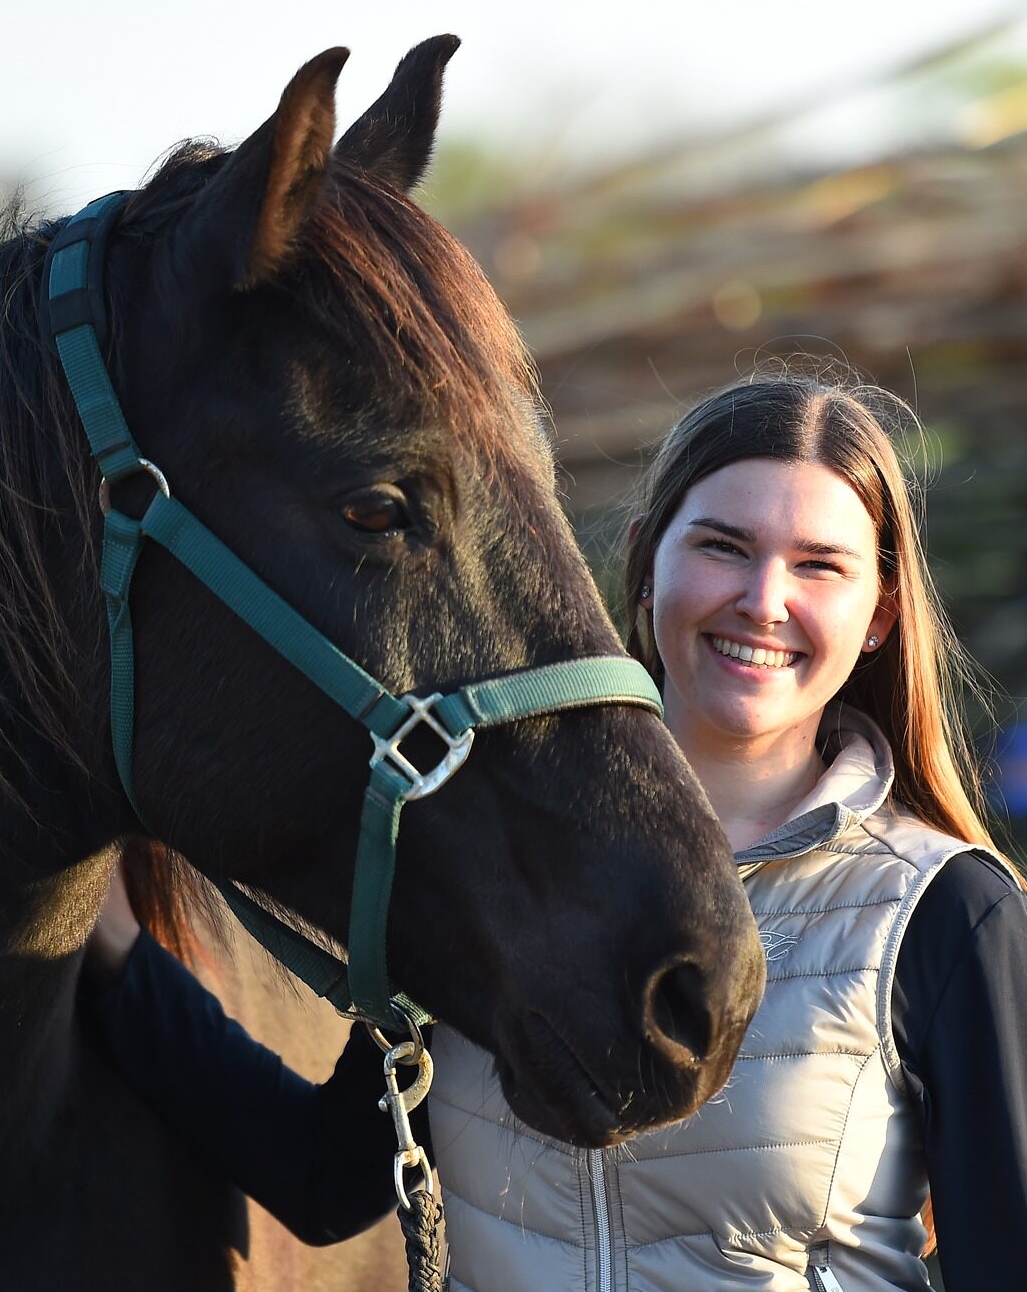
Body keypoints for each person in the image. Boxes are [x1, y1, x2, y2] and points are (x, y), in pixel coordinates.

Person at [81, 370, 1027, 1291]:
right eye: (724, 547)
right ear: (647, 567)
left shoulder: (945, 912)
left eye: (819, 565)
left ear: (879, 614)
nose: (764, 599)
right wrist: (113, 947)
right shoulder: (496, 852)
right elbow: (325, 1177)